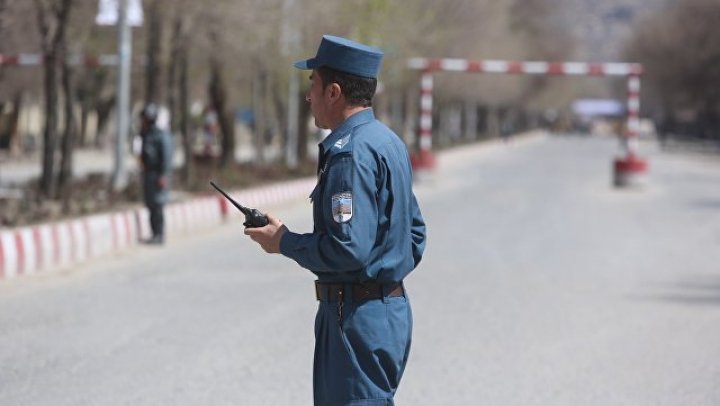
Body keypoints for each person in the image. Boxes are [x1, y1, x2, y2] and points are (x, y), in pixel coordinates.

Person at [244, 35, 427, 405]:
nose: (308, 96)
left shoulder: (350, 154)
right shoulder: (386, 141)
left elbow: (349, 249)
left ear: (334, 92)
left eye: (313, 84)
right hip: (385, 312)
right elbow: (415, 233)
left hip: (355, 318)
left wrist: (284, 242)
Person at [139, 103, 173, 245]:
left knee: (158, 205)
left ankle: (159, 234)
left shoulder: (160, 135)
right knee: (151, 205)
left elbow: (166, 156)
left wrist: (163, 175)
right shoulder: (145, 134)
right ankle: (153, 233)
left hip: (157, 175)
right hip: (148, 173)